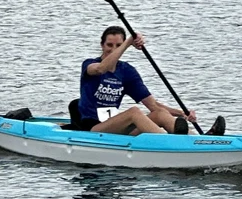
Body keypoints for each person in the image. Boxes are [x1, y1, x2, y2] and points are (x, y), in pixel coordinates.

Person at [74, 27, 226, 136]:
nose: (113, 50)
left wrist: (182, 114)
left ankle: (199, 140)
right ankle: (170, 143)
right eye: (109, 45)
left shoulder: (127, 71)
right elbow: (101, 68)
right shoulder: (89, 64)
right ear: (102, 45)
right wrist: (128, 43)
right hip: (92, 130)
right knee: (134, 112)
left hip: (115, 127)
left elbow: (153, 105)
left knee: (159, 113)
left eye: (118, 45)